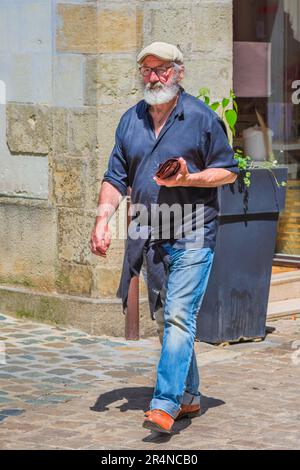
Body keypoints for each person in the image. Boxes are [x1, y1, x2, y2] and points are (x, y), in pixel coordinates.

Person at [90, 41, 239, 434]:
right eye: (147, 70)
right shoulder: (130, 121)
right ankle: (189, 396)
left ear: (179, 72)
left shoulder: (202, 118)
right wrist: (103, 220)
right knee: (164, 319)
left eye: (162, 70)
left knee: (177, 314)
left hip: (193, 230)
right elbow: (114, 178)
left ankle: (165, 403)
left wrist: (190, 177)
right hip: (149, 235)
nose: (154, 77)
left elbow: (228, 171)